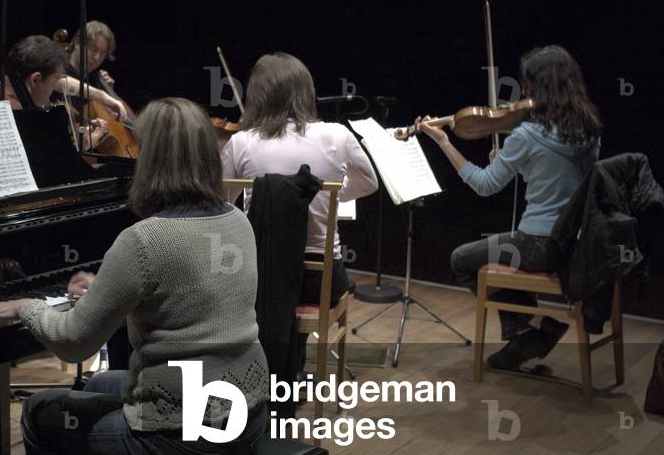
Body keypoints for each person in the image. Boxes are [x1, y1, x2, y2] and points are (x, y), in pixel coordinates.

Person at [0, 97, 269, 455]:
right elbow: (191, 292)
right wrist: (106, 290)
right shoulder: (237, 221)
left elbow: (73, 343)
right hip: (245, 417)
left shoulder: (144, 239)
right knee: (101, 382)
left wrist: (26, 307)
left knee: (39, 413)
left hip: (185, 438)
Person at [415, 45, 601, 369]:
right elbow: (560, 177)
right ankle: (528, 333)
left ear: (538, 87)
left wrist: (444, 143)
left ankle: (528, 330)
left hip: (538, 245)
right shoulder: (588, 129)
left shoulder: (527, 133)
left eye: (528, 83)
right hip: (579, 244)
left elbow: (485, 185)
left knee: (461, 259)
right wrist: (517, 162)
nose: (524, 92)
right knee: (498, 251)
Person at [220, 53, 378, 312]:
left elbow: (220, 202)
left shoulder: (241, 142)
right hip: (322, 280)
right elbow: (368, 184)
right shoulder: (338, 135)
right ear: (306, 92)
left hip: (260, 276)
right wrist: (325, 195)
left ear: (257, 95)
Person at [0, 34, 110, 150]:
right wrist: (90, 139)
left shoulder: (3, 90)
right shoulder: (19, 117)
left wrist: (102, 96)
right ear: (35, 80)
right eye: (54, 81)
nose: (54, 89)